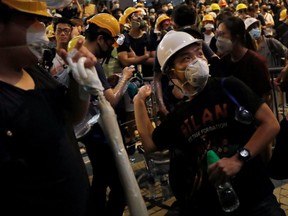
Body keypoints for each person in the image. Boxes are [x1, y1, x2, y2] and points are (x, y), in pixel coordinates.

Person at [133, 30, 285, 216]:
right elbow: (149, 143)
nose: (196, 61)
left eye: (199, 53)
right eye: (186, 58)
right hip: (213, 205)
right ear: (172, 72)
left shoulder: (229, 87)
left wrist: (238, 158)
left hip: (257, 197)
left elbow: (270, 124)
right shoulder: (179, 114)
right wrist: (138, 102)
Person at [0, 0, 98, 215]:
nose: (40, 28)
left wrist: (79, 81)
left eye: (41, 20)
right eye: (29, 19)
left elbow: (70, 116)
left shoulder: (33, 70)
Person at [74, 13, 135, 216]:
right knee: (121, 187)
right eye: (110, 42)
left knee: (99, 182)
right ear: (100, 39)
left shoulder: (78, 56)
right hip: (100, 135)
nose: (111, 48)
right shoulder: (93, 63)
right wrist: (124, 78)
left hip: (89, 133)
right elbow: (111, 100)